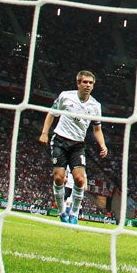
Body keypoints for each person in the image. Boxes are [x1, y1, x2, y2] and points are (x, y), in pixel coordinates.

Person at [39, 70, 108, 224]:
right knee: (59, 178)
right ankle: (61, 210)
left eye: (91, 83)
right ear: (78, 83)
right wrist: (44, 133)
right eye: (85, 82)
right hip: (60, 141)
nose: (88, 85)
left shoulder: (95, 106)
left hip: (77, 145)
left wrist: (102, 145)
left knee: (79, 179)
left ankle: (75, 213)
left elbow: (97, 129)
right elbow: (51, 114)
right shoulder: (65, 97)